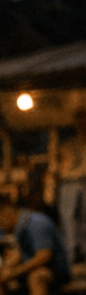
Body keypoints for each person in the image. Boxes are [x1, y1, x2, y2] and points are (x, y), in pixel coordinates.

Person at [56, 109, 86, 263]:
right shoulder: (68, 144)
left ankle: (82, 251)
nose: (81, 124)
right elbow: (62, 169)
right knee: (69, 218)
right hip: (70, 183)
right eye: (79, 121)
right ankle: (72, 252)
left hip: (84, 182)